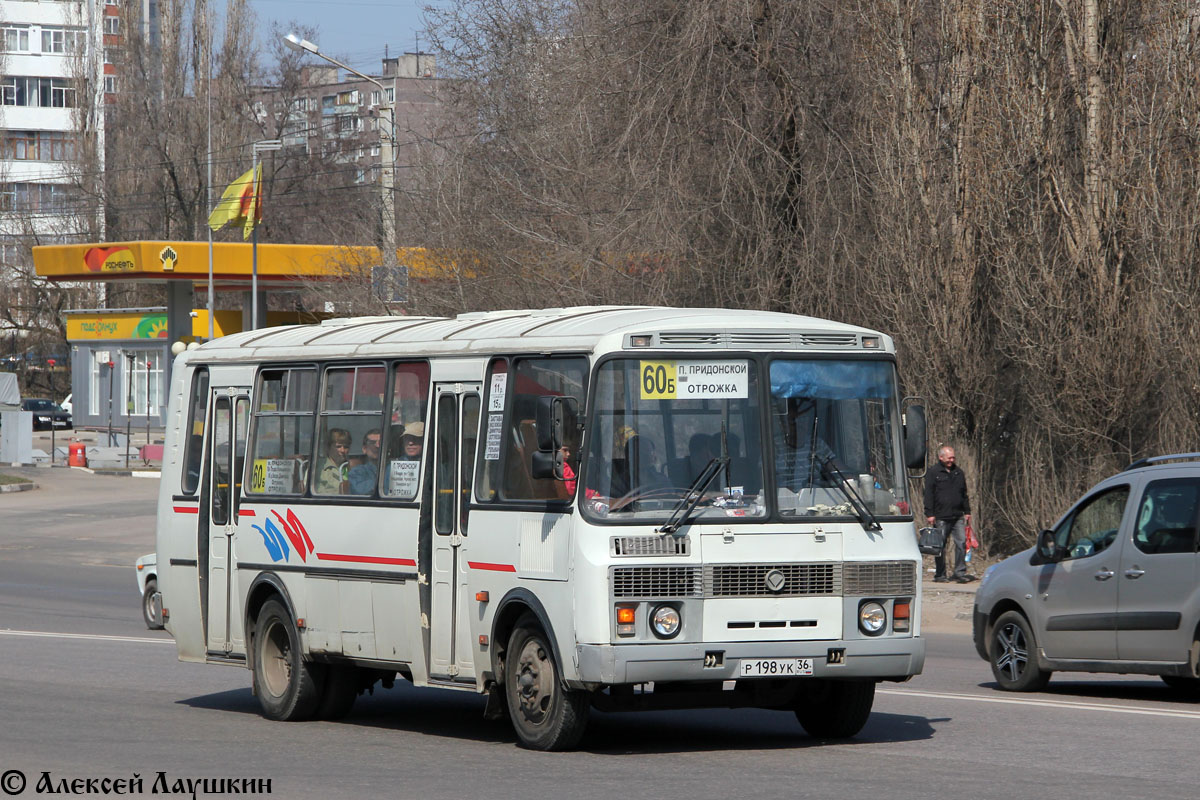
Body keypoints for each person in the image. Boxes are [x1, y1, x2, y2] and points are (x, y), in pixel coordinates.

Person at [924, 445, 974, 583]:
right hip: (940, 515)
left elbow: (964, 494)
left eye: (953, 457)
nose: (952, 460)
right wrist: (929, 513)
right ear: (941, 457)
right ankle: (940, 575)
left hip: (958, 515)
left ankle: (959, 572)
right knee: (939, 546)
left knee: (961, 543)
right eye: (949, 457)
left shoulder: (959, 472)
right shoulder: (933, 472)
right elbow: (928, 494)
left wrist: (967, 511)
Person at [315, 428, 351, 494]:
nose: (342, 450)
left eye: (346, 447)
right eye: (338, 446)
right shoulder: (318, 468)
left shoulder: (351, 468)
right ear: (328, 447)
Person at [348, 428, 382, 495]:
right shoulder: (357, 472)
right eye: (372, 443)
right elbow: (359, 490)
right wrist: (384, 481)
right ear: (364, 449)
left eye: (381, 442)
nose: (378, 446)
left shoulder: (392, 468)